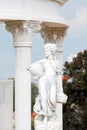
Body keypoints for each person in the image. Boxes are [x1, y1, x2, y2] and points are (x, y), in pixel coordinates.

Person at [28, 43, 67, 123]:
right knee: (43, 98)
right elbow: (34, 68)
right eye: (45, 50)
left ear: (51, 51)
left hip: (52, 83)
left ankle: (51, 116)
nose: (45, 52)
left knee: (52, 100)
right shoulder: (42, 62)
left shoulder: (56, 63)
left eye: (47, 50)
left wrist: (60, 89)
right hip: (43, 81)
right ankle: (46, 117)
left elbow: (59, 77)